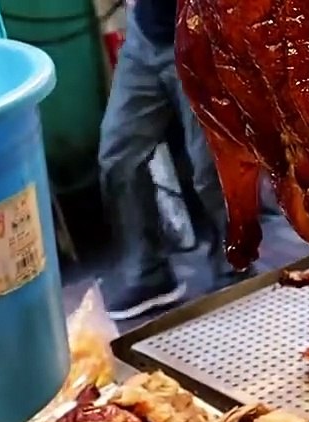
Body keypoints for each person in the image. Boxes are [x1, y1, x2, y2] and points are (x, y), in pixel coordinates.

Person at [98, 0, 231, 321]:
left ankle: (234, 267)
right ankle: (148, 274)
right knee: (118, 156)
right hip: (146, 37)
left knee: (210, 168)